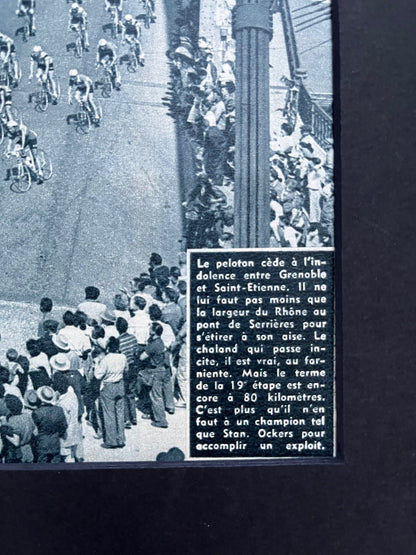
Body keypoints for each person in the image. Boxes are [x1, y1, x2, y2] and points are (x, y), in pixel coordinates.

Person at [140, 323, 174, 429]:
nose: (148, 329)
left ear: (153, 331)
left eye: (150, 328)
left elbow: (142, 357)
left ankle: (161, 420)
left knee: (156, 396)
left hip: (157, 372)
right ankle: (168, 407)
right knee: (165, 391)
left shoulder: (153, 344)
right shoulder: (160, 341)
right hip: (165, 370)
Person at [94, 336, 126, 448]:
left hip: (108, 386)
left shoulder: (105, 359)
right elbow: (126, 369)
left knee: (109, 414)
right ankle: (121, 438)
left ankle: (111, 441)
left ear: (108, 347)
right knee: (120, 413)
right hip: (120, 385)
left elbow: (98, 376)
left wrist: (97, 363)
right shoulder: (123, 357)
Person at [52, 372, 83, 463]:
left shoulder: (62, 404)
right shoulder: (72, 395)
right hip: (75, 430)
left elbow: (63, 422)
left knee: (67, 458)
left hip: (66, 436)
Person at [31, 385, 68, 463]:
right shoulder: (59, 410)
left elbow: (34, 431)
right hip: (55, 442)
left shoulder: (37, 413)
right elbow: (64, 426)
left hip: (42, 443)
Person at [116, 317, 139, 428]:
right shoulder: (133, 338)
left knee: (123, 394)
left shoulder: (118, 341)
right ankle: (134, 417)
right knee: (131, 393)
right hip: (133, 367)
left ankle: (126, 419)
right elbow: (136, 352)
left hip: (125, 369)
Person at [0, 394, 35, 463]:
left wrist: (4, 433)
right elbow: (35, 432)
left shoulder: (12, 420)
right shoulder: (27, 416)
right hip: (28, 450)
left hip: (17, 454)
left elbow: (16, 442)